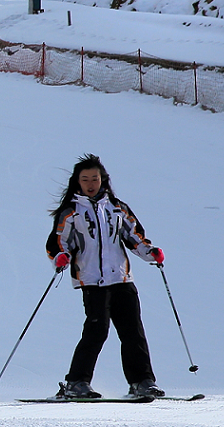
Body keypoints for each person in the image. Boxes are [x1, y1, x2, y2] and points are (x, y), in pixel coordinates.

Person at [47, 155, 164, 398]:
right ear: (77, 182)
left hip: (122, 278)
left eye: (95, 178)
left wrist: (150, 252)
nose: (91, 184)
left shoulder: (117, 207)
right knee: (97, 331)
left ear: (103, 180)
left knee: (133, 332)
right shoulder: (71, 212)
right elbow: (58, 242)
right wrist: (60, 257)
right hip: (92, 280)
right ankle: (76, 382)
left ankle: (142, 382)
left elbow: (134, 236)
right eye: (85, 179)